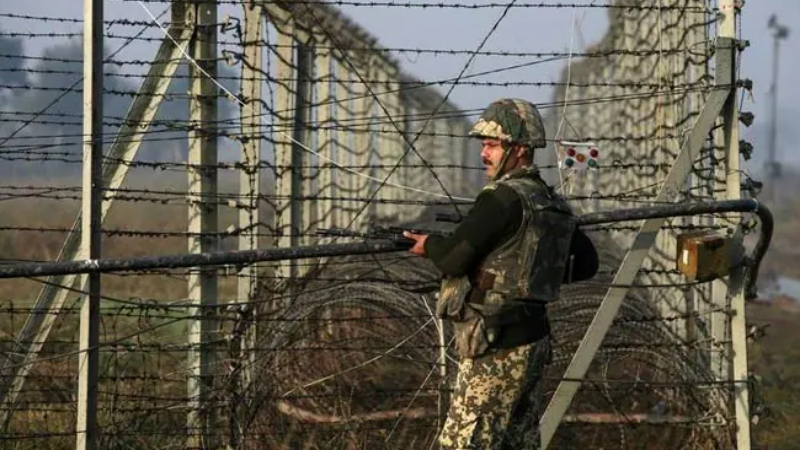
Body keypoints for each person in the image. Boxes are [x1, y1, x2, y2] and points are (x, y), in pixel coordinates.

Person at [403, 98, 578, 449]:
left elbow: (453, 258)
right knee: (517, 441)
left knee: (464, 443)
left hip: (496, 345)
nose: (485, 153)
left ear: (520, 149)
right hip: (532, 341)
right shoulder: (549, 200)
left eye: (493, 145)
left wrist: (429, 245)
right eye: (483, 145)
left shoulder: (501, 198)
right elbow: (583, 263)